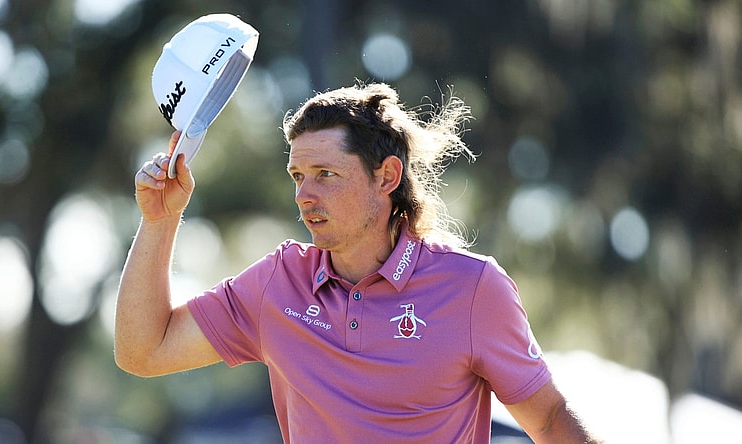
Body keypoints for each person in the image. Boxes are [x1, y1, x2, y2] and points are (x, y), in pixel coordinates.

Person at [115, 82, 603, 443]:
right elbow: (143, 351)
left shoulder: (474, 288)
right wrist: (159, 220)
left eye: (326, 174)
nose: (305, 196)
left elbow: (550, 419)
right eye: (298, 175)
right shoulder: (276, 283)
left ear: (387, 176)